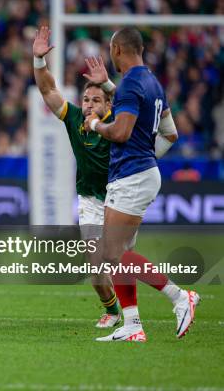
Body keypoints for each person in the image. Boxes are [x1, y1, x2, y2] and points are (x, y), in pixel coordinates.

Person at [81, 27, 198, 342]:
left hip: (132, 174)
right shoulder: (151, 82)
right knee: (118, 253)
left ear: (117, 49)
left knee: (112, 252)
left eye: (110, 49)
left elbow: (120, 133)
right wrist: (107, 84)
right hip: (138, 172)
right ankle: (132, 324)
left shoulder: (132, 84)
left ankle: (179, 297)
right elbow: (170, 133)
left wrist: (94, 123)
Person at [32, 26, 121, 327]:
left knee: (122, 263)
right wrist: (39, 61)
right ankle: (112, 311)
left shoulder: (120, 123)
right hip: (90, 200)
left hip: (120, 198)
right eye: (86, 100)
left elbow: (136, 108)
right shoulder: (74, 118)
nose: (89, 105)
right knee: (96, 271)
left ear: (108, 105)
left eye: (96, 100)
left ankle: (166, 299)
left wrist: (107, 84)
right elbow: (47, 90)